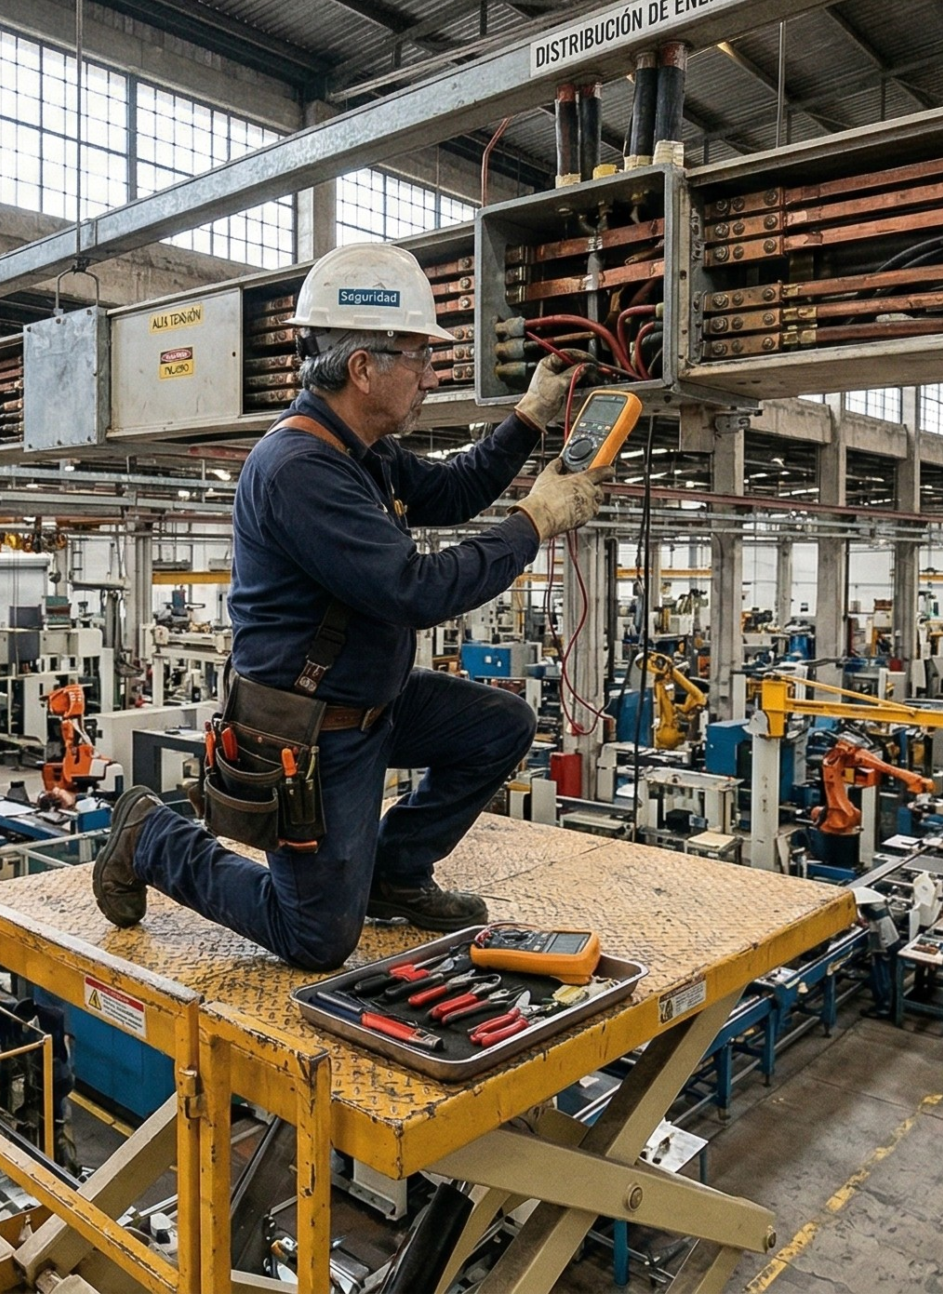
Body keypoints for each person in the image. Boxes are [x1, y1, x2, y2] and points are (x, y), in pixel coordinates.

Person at [91, 241, 609, 970]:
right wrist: (535, 522)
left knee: (502, 727)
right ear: (364, 368)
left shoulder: (362, 448)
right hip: (311, 732)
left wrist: (527, 418)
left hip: (374, 704)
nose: (431, 376)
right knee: (316, 939)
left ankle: (394, 873)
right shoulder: (300, 468)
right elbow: (414, 590)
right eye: (418, 359)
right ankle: (153, 837)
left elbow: (454, 490)